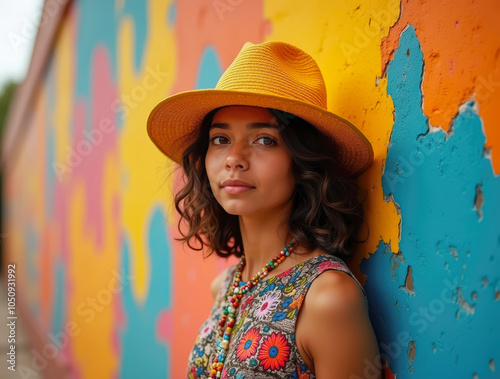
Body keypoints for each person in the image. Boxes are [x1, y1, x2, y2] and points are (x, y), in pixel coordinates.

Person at [147, 41, 381, 379]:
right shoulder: (227, 285)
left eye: (265, 140)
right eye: (220, 139)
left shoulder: (327, 297)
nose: (234, 159)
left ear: (302, 162)